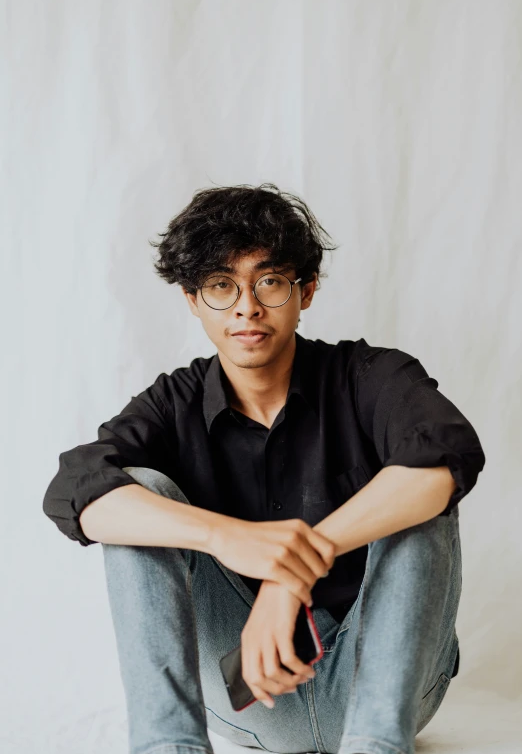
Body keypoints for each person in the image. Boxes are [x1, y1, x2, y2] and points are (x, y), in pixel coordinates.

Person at [43, 183, 485, 754]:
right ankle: (167, 747)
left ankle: (374, 746)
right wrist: (227, 538)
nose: (247, 306)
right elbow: (76, 490)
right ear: (192, 300)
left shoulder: (370, 376)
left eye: (269, 281)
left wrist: (290, 569)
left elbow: (448, 456)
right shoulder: (173, 404)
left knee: (419, 485)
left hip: (386, 690)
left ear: (306, 292)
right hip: (249, 694)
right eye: (221, 286)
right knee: (137, 494)